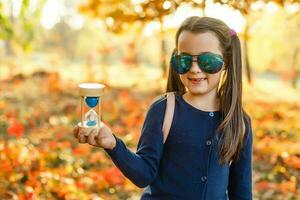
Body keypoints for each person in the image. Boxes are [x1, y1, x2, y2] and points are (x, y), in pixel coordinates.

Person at [73, 16, 253, 200]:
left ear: (227, 61)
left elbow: (241, 191)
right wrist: (113, 145)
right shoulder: (165, 110)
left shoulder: (238, 121)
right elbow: (144, 175)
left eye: (207, 61)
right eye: (184, 60)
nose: (194, 69)